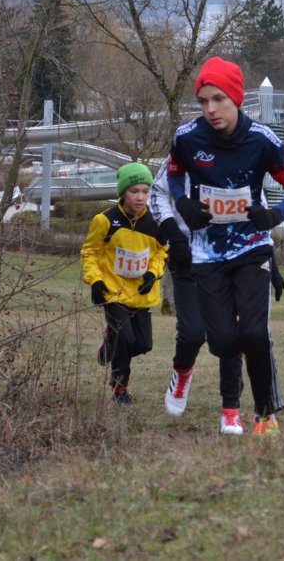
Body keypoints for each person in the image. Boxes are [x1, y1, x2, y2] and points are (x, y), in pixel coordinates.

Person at [167, 56, 284, 436]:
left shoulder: (263, 141)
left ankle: (265, 414)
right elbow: (174, 175)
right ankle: (232, 388)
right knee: (223, 342)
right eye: (203, 101)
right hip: (207, 254)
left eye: (219, 99)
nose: (211, 109)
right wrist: (182, 203)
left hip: (251, 248)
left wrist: (274, 215)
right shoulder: (187, 138)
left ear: (237, 99)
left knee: (255, 335)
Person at [150, 163, 284, 435]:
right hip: (188, 256)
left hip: (235, 256)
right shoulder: (185, 151)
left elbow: (258, 214)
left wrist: (271, 263)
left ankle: (236, 411)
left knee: (244, 334)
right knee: (193, 333)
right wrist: (175, 236)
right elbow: (156, 194)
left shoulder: (245, 158)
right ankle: (182, 371)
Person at [81, 162, 167, 406]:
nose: (140, 197)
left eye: (145, 191)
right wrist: (96, 281)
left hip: (141, 293)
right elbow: (89, 252)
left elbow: (162, 251)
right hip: (113, 291)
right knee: (125, 339)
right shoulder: (105, 220)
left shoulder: (156, 221)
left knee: (143, 344)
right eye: (134, 191)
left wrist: (152, 274)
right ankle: (120, 391)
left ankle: (110, 342)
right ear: (122, 193)